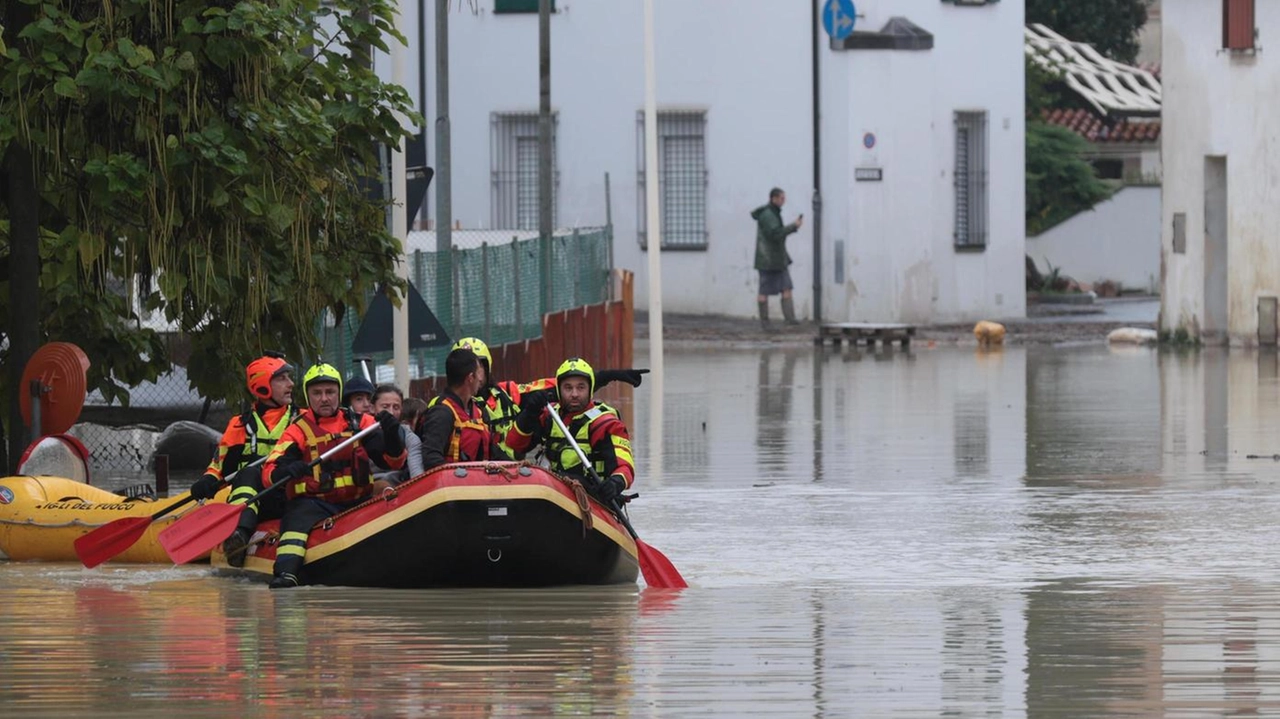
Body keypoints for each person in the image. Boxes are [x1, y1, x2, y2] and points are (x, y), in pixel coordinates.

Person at [261, 363, 405, 588]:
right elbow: (269, 473)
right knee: (296, 519)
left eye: (330, 392)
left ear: (339, 393)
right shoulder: (297, 430)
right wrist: (288, 469)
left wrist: (393, 433)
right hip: (315, 503)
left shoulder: (361, 423)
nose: (324, 399)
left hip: (358, 500)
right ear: (308, 396)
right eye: (317, 393)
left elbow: (391, 460)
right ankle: (286, 573)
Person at [449, 336, 647, 458]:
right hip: (475, 472)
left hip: (511, 470)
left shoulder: (507, 392)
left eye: (478, 366)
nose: (474, 374)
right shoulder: (449, 407)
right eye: (467, 368)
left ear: (487, 367)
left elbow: (564, 385)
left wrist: (611, 375)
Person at [189, 353, 299, 568]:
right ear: (263, 387)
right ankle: (239, 534)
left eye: (288, 377)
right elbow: (219, 466)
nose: (291, 384)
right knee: (248, 473)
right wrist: (207, 481)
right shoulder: (239, 425)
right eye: (282, 379)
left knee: (254, 473)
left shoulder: (301, 418)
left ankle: (240, 532)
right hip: (256, 501)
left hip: (289, 494)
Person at [504, 358, 635, 508]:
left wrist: (615, 483)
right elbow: (515, 445)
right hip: (555, 493)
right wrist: (529, 414)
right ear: (559, 389)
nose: (574, 394)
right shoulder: (549, 416)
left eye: (581, 388)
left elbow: (625, 467)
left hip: (592, 496)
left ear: (590, 389)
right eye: (568, 388)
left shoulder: (605, 423)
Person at [419, 348, 506, 470]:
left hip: (478, 482)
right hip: (453, 485)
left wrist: (516, 466)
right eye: (478, 374)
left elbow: (495, 453)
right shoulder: (442, 413)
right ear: (470, 378)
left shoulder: (479, 412)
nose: (480, 380)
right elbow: (431, 458)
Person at [751, 187, 804, 329]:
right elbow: (775, 234)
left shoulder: (773, 213)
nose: (783, 201)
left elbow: (776, 233)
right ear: (773, 198)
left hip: (778, 259)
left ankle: (790, 319)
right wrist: (793, 226)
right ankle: (765, 322)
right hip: (768, 260)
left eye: (784, 198)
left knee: (786, 287)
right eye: (781, 198)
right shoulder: (768, 215)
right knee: (764, 291)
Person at [368, 384, 423, 486]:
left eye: (396, 407)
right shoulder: (361, 433)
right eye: (385, 407)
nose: (391, 412)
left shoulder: (410, 438)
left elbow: (418, 477)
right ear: (372, 408)